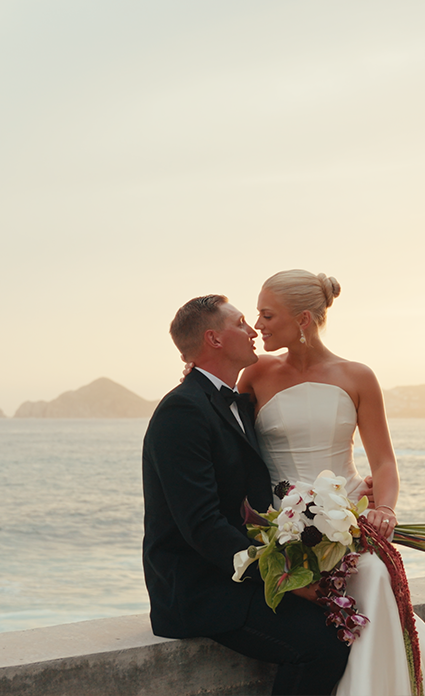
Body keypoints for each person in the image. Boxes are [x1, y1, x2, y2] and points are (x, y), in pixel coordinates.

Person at [238, 269, 425, 696]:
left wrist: (385, 510)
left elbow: (384, 462)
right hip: (280, 528)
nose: (257, 325)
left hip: (349, 519)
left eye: (267, 315)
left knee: (376, 575)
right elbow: (230, 446)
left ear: (303, 319)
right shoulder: (255, 375)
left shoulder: (357, 376)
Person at [142, 294, 350, 695]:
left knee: (339, 626)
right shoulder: (181, 412)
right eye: (240, 323)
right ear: (214, 339)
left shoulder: (234, 402)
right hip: (199, 588)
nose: (252, 329)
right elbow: (201, 525)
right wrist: (282, 580)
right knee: (323, 645)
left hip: (234, 573)